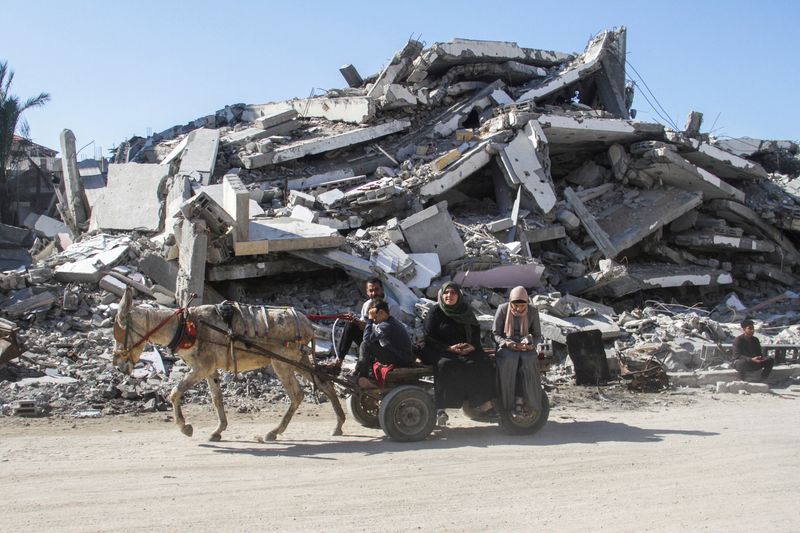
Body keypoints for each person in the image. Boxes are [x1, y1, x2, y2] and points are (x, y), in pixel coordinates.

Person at [420, 281, 495, 426]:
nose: (449, 296)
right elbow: (428, 337)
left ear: (459, 295)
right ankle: (440, 408)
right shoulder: (435, 312)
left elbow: (475, 332)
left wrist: (471, 346)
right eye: (446, 292)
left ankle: (484, 404)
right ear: (441, 295)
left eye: (453, 293)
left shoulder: (465, 311)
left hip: (462, 349)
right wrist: (449, 348)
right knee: (445, 364)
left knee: (482, 362)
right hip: (439, 349)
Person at [325, 277, 401, 370]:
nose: (374, 293)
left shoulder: (392, 306)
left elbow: (390, 331)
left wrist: (365, 325)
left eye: (376, 290)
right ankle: (339, 361)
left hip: (387, 345)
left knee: (366, 343)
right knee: (350, 325)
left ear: (382, 289)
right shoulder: (367, 305)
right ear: (367, 292)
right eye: (371, 291)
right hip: (372, 338)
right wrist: (356, 321)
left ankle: (364, 370)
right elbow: (364, 325)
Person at [492, 286, 544, 416]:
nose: (519, 308)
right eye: (516, 305)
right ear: (510, 302)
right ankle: (507, 403)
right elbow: (495, 334)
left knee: (526, 363)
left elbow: (537, 335)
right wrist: (506, 343)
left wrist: (531, 344)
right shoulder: (503, 309)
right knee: (509, 362)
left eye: (522, 305)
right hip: (507, 347)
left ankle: (527, 401)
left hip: (525, 348)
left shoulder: (532, 311)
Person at [353, 299, 414, 389]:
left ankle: (363, 376)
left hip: (401, 359)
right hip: (400, 356)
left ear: (381, 312)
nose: (373, 320)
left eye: (374, 317)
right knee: (370, 345)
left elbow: (366, 339)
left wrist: (369, 321)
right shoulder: (389, 322)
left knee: (365, 345)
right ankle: (364, 372)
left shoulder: (386, 325)